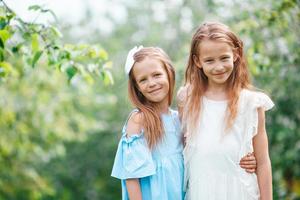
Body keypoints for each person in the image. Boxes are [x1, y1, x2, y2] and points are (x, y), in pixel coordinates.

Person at [112, 46, 257, 200]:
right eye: (143, 80)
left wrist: (246, 158)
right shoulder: (139, 120)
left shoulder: (178, 119)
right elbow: (132, 177)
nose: (152, 83)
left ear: (169, 74)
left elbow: (206, 150)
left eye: (156, 75)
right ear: (137, 88)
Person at [177, 22, 274, 200]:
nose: (218, 66)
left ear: (235, 54)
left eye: (224, 58)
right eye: (209, 61)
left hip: (240, 190)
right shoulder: (187, 98)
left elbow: (263, 161)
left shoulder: (252, 103)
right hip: (202, 191)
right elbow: (184, 148)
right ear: (197, 61)